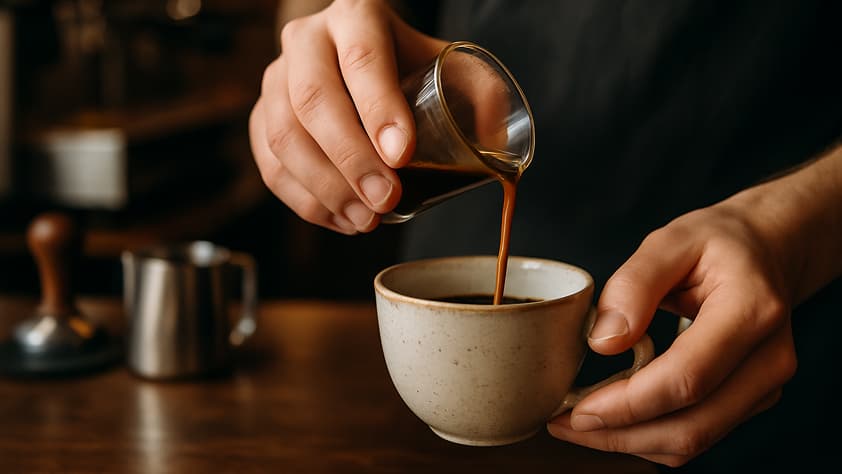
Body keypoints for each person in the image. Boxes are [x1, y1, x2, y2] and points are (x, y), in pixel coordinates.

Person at [249, 0, 842, 471]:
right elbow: (322, 10)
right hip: (418, 425)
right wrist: (323, 44)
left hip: (755, 368)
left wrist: (798, 226)